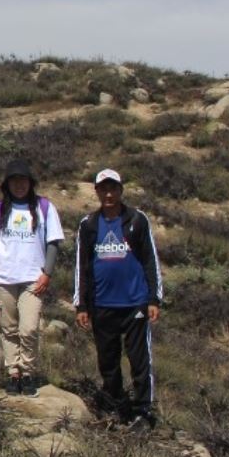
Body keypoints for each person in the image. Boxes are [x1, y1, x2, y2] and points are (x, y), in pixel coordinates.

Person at [73, 169, 164, 431]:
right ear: (97, 192)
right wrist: (81, 305)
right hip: (102, 304)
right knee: (108, 360)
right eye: (104, 189)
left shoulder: (136, 220)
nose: (109, 194)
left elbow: (150, 260)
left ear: (121, 190)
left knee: (139, 360)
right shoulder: (88, 224)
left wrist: (154, 299)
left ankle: (143, 410)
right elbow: (83, 265)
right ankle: (116, 404)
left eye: (113, 189)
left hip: (134, 303)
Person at [0, 158, 64, 395]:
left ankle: (28, 371)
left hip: (32, 279)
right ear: (7, 184)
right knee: (9, 329)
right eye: (14, 181)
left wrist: (47, 273)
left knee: (29, 328)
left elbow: (53, 243)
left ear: (30, 183)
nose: (19, 185)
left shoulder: (44, 207)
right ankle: (13, 373)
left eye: (23, 180)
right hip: (3, 277)